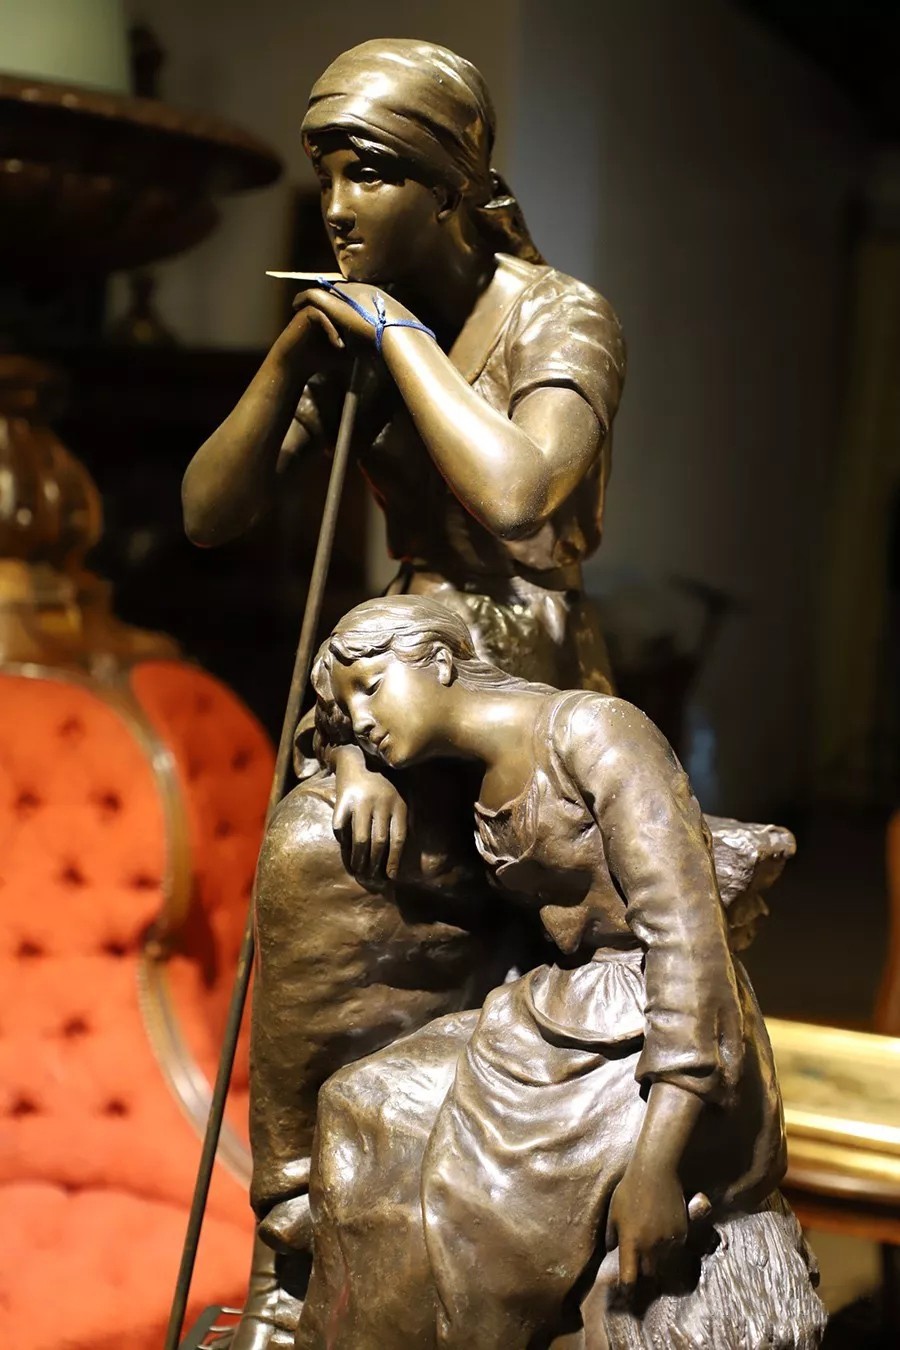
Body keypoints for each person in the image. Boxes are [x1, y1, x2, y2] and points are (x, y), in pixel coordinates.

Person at [181, 38, 626, 1347]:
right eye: (326, 173)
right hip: (397, 653)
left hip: (522, 657)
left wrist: (397, 341)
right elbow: (209, 514)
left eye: (368, 174)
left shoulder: (560, 315)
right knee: (307, 858)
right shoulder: (353, 321)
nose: (336, 206)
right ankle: (290, 1236)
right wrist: (291, 360)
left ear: (449, 187)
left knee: (344, 854)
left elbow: (525, 505)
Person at [294, 594, 825, 1350]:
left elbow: (690, 944)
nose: (362, 718)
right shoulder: (460, 765)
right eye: (350, 705)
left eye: (372, 688)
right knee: (360, 1099)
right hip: (562, 1011)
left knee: (478, 1200)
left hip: (661, 1039)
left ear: (439, 661)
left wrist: (655, 1167)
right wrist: (355, 771)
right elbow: (317, 732)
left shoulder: (595, 732)